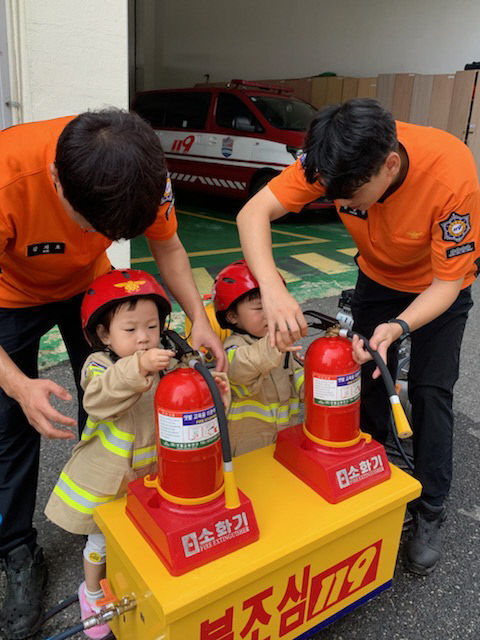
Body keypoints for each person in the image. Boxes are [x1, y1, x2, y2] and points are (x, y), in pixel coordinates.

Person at [0, 109, 225, 639]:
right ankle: (15, 550)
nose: (92, 237)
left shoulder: (142, 173)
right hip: (9, 295)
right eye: (89, 226)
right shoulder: (9, 180)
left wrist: (200, 317)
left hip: (90, 292)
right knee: (11, 423)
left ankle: (113, 515)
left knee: (114, 397)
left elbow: (167, 245)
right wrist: (18, 385)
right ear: (56, 178)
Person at [236, 98, 480, 576]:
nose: (344, 205)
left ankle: (430, 505)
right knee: (362, 372)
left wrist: (400, 326)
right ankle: (371, 465)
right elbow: (252, 214)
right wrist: (273, 288)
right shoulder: (332, 157)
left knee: (431, 391)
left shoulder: (451, 173)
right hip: (377, 277)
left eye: (353, 195)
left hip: (436, 285)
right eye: (333, 195)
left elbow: (449, 284)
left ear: (390, 164)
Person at [45, 269, 229, 639]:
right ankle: (93, 594)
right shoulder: (99, 367)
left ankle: (136, 590)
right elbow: (98, 399)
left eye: (152, 326)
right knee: (101, 540)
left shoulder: (169, 363)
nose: (145, 338)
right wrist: (138, 367)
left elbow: (187, 403)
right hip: (113, 478)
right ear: (103, 335)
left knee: (147, 537)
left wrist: (214, 391)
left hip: (157, 472)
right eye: (130, 330)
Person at [212, 259, 304, 456]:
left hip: (285, 439)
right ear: (232, 316)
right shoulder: (232, 348)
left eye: (273, 305)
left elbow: (299, 378)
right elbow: (239, 368)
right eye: (259, 308)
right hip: (246, 452)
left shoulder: (282, 344)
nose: (270, 314)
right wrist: (275, 347)